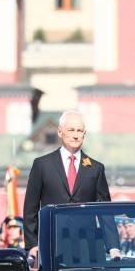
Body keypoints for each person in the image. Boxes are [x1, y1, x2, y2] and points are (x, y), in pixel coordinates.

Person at [22, 110, 118, 259]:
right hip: (52, 245)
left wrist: (113, 246)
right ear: (60, 132)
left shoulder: (95, 168)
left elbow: (105, 210)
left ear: (84, 135)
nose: (75, 135)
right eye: (71, 130)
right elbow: (30, 208)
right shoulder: (42, 165)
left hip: (87, 247)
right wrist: (32, 244)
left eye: (80, 131)